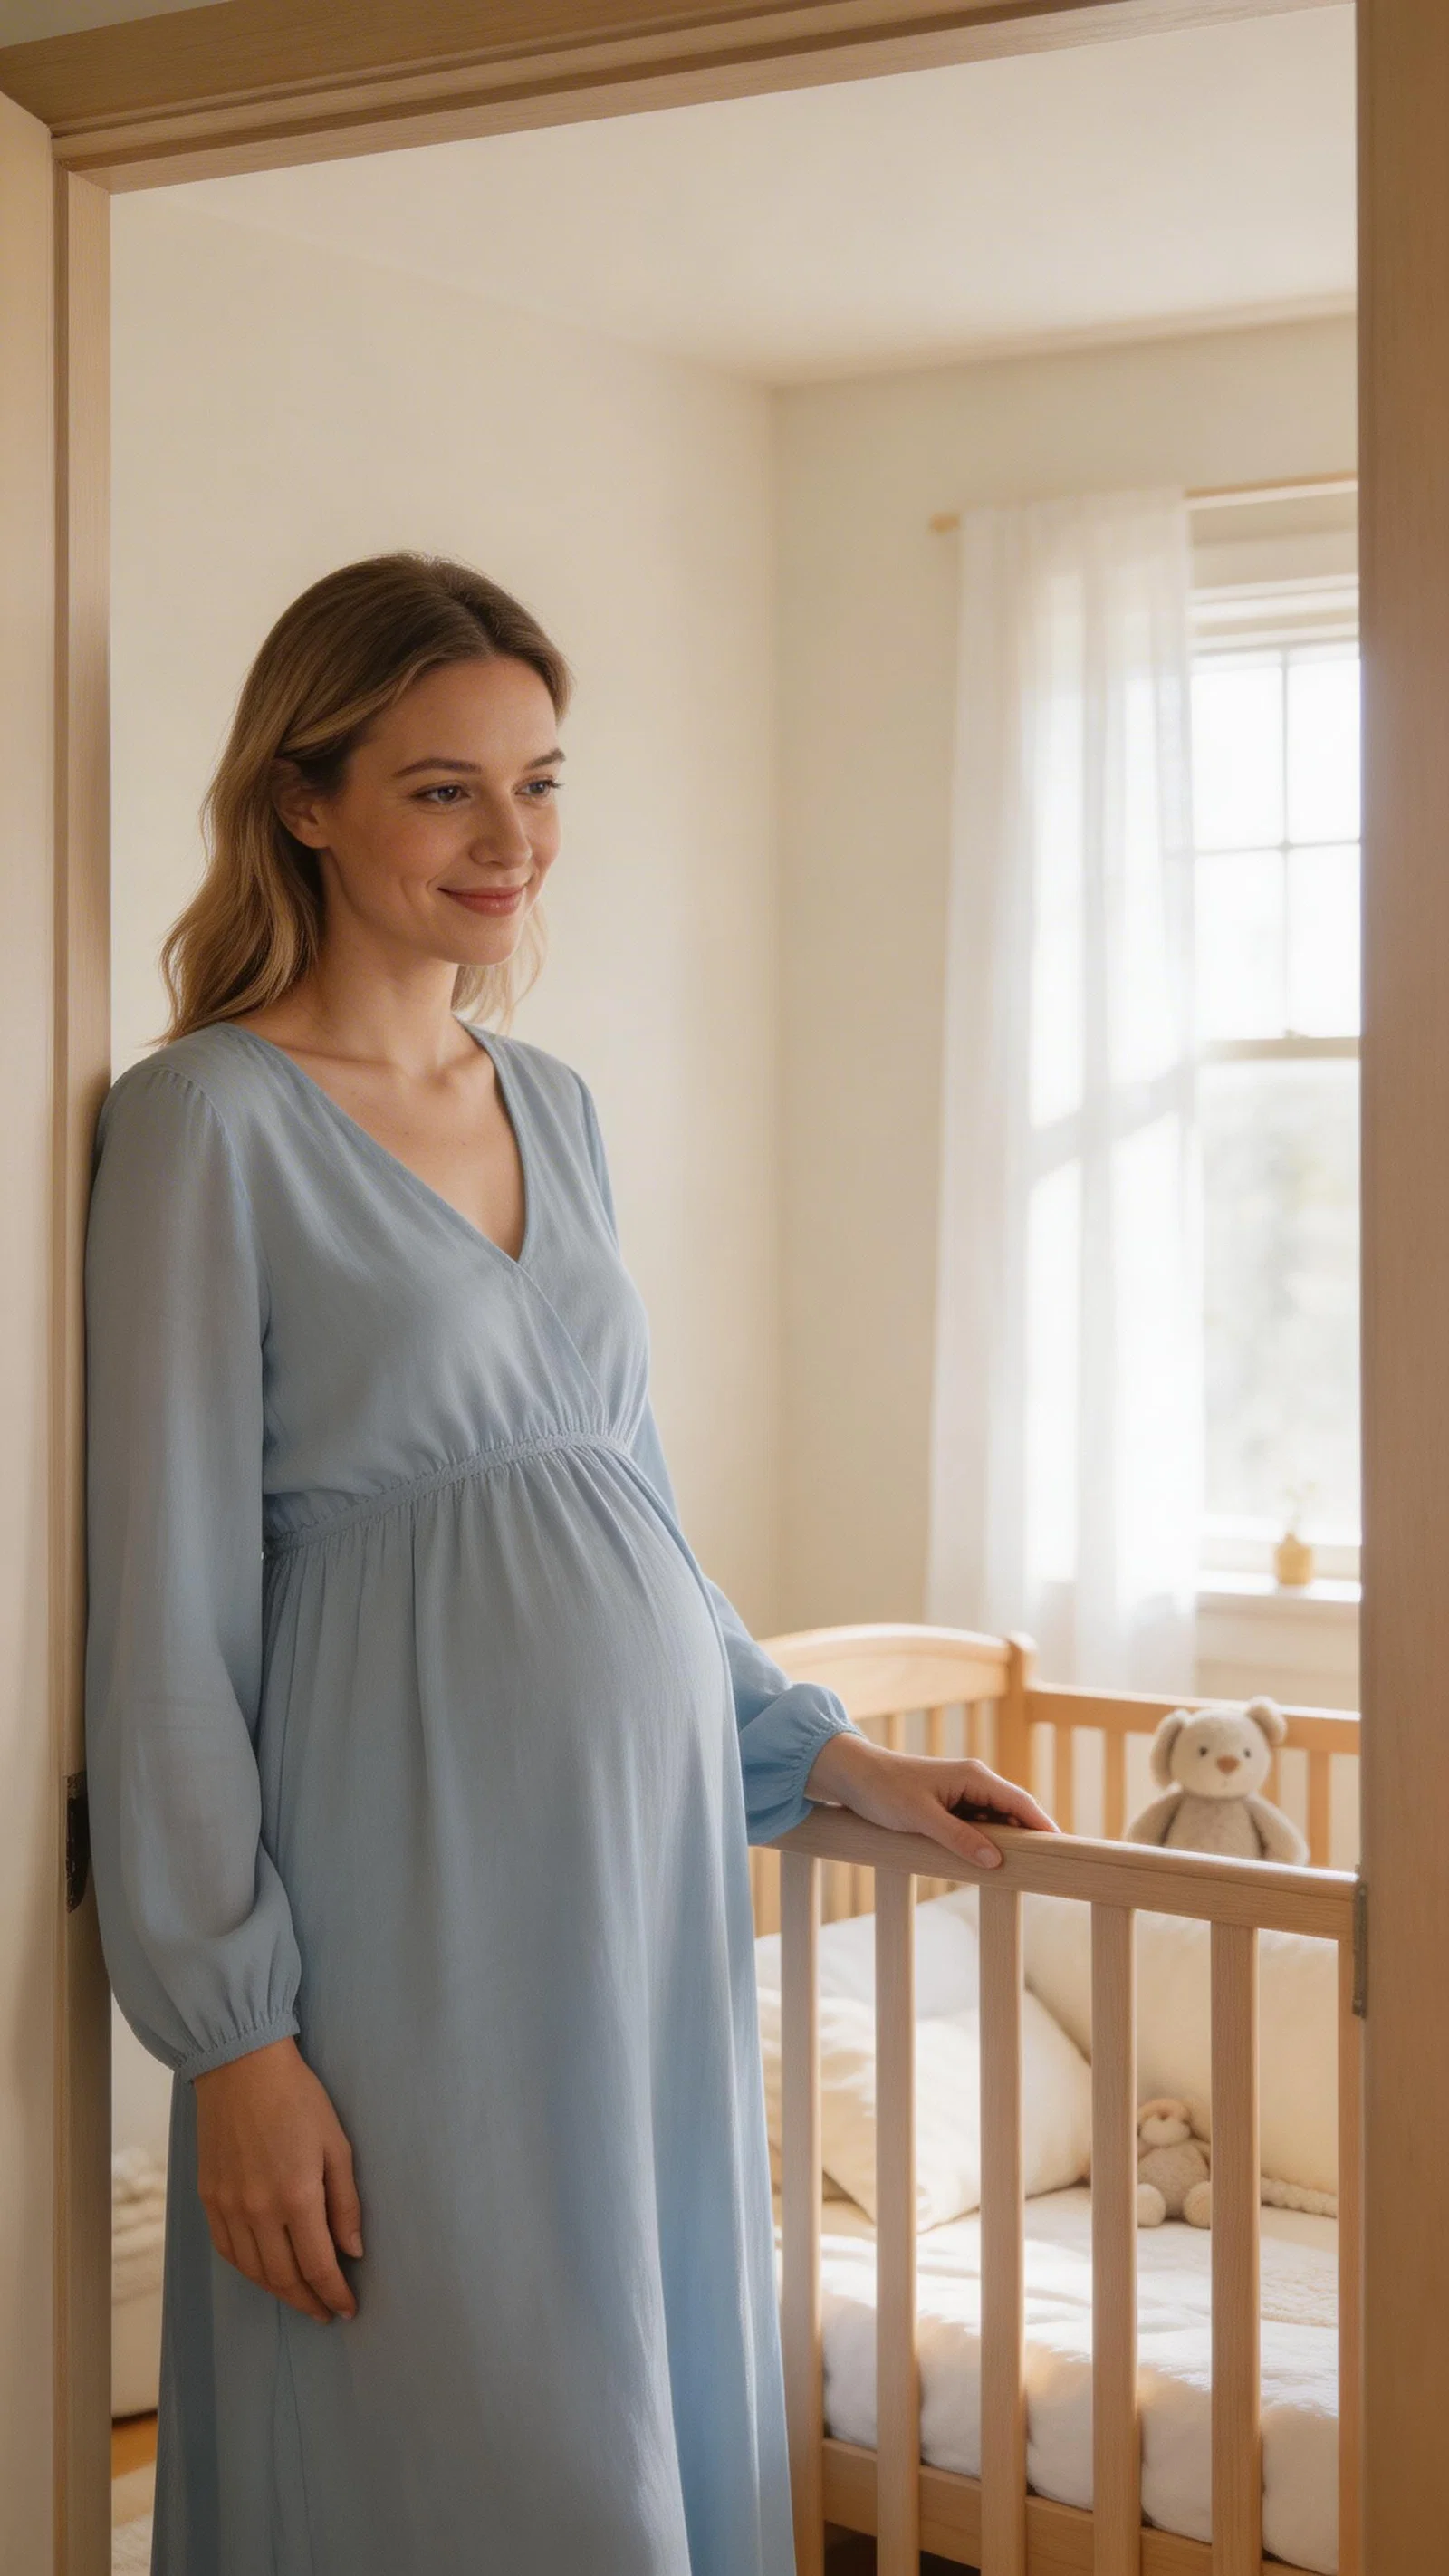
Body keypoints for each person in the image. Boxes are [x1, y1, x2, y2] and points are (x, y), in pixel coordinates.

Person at [85, 553, 1055, 2576]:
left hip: (637, 1889)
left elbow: (624, 1500)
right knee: (460, 2419)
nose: (510, 841)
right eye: (444, 788)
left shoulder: (558, 1106)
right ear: (306, 797)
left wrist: (817, 1750)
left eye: (540, 783)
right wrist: (235, 2040)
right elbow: (164, 1618)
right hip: (406, 1896)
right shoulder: (207, 1124)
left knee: (633, 2386)